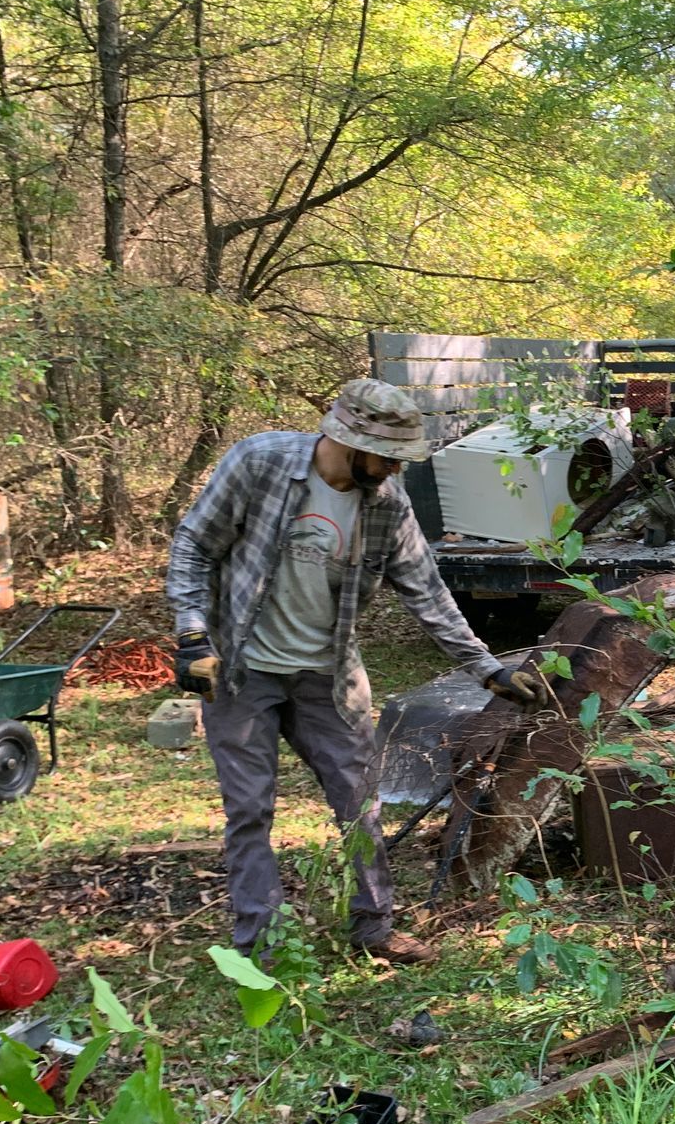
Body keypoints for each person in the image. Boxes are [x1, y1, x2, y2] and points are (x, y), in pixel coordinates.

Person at [166, 379, 538, 964]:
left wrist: (486, 669)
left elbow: (428, 594)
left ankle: (375, 928)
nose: (393, 469)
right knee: (249, 811)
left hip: (328, 677)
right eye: (387, 456)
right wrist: (192, 638)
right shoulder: (258, 463)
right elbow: (194, 544)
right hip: (239, 671)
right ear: (348, 438)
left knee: (359, 800)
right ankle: (261, 948)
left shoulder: (387, 505)